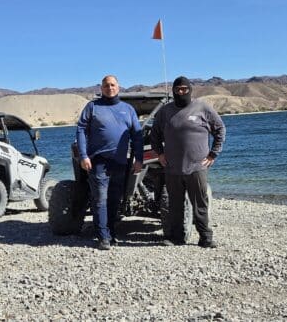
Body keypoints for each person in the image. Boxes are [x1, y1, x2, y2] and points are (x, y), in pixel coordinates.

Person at [151, 76, 226, 248]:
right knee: (175, 205)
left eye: (184, 89)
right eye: (178, 89)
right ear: (174, 91)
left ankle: (205, 237)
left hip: (197, 167)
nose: (181, 92)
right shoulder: (165, 111)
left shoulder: (203, 107)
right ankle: (176, 237)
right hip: (172, 168)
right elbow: (154, 134)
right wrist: (160, 154)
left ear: (190, 90)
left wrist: (213, 154)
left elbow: (220, 129)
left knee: (200, 203)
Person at [76, 75, 143, 250]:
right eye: (106, 85)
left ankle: (111, 233)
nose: (110, 88)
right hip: (98, 161)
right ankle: (102, 236)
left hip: (120, 162)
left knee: (114, 200)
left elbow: (137, 135)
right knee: (100, 199)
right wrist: (83, 155)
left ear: (118, 87)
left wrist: (139, 158)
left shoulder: (128, 109)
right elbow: (81, 130)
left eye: (112, 85)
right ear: (101, 88)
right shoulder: (92, 107)